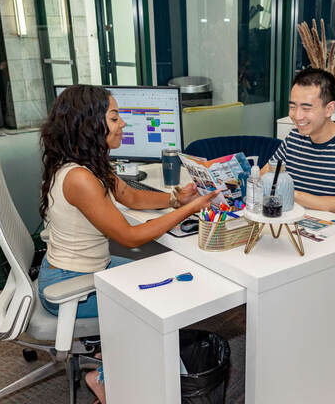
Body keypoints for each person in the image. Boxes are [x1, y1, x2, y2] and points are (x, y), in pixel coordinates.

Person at [38, 85, 218, 403]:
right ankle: (104, 378)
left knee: (162, 274)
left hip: (89, 268)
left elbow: (130, 196)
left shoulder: (89, 162)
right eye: (115, 117)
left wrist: (177, 198)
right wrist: (191, 209)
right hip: (69, 285)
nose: (123, 124)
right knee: (155, 302)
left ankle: (121, 366)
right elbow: (130, 236)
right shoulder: (80, 178)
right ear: (91, 123)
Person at [262, 67, 335, 222]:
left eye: (306, 108)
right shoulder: (294, 138)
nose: (297, 115)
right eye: (293, 106)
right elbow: (265, 175)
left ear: (329, 109)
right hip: (301, 222)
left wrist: (290, 193)